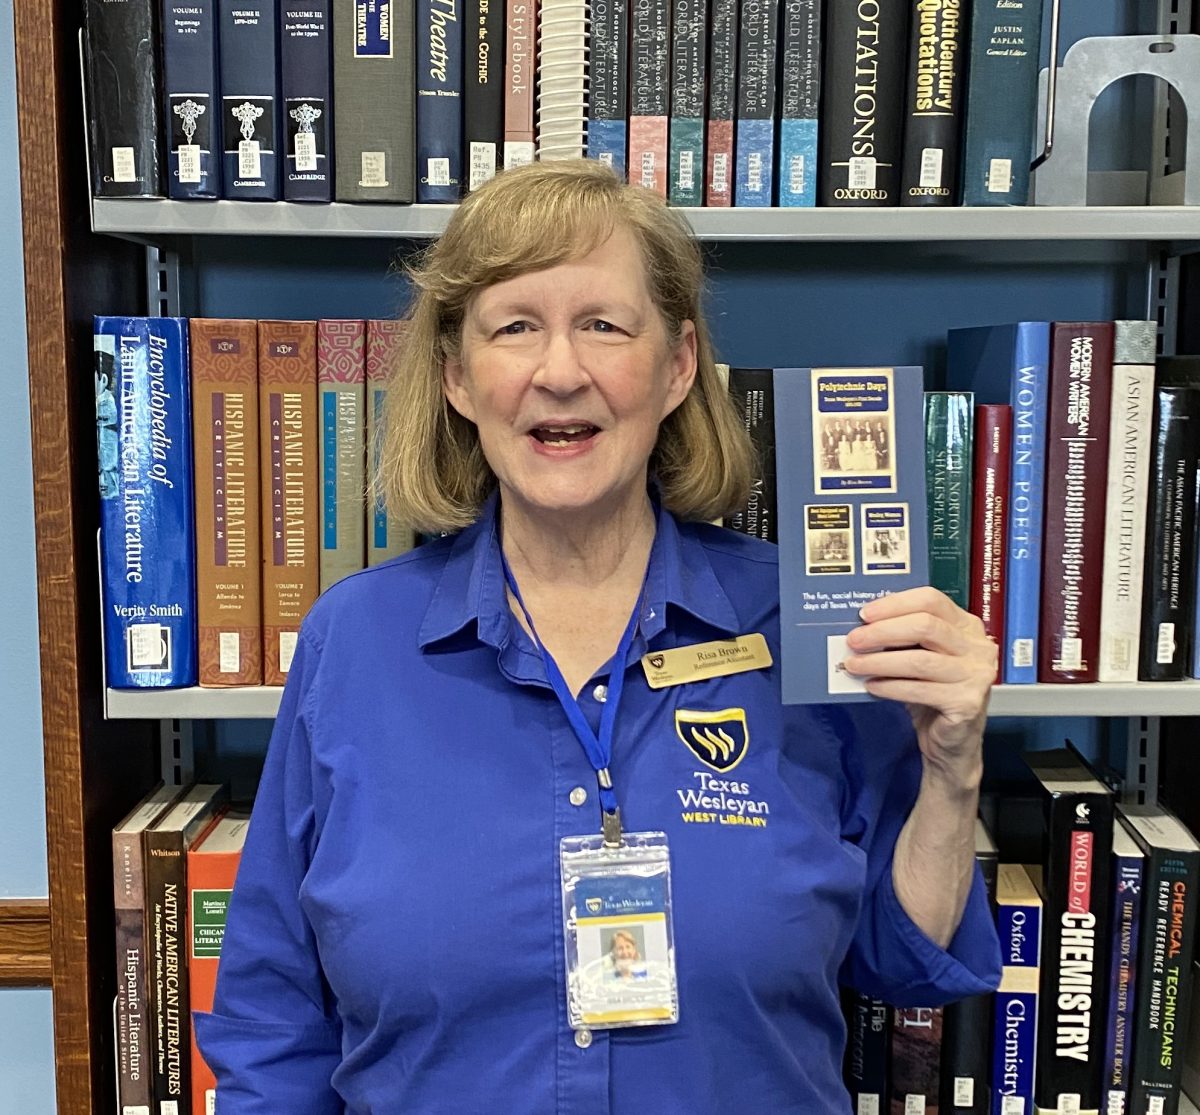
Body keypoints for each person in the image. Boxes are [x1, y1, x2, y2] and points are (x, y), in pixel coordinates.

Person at [195, 159, 1000, 1114]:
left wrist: (952, 773)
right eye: (514, 327)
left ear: (677, 366)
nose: (561, 371)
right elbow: (271, 1027)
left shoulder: (813, 628)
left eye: (604, 326)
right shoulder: (356, 643)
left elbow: (901, 960)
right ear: (457, 376)